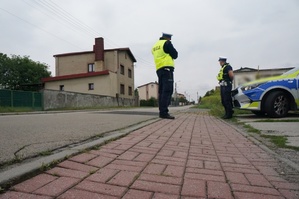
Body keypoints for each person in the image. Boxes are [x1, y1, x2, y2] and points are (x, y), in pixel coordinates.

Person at [152, 33, 178, 119]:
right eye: (170, 39)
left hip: (159, 69)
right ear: (168, 38)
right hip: (167, 69)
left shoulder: (155, 46)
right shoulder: (166, 43)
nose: (170, 40)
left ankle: (161, 111)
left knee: (162, 91)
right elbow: (175, 55)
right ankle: (164, 112)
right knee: (167, 91)